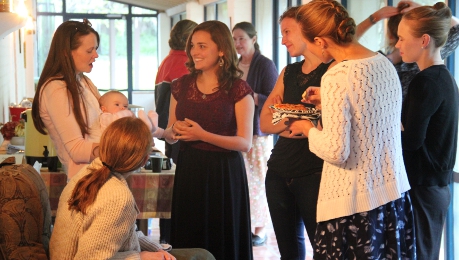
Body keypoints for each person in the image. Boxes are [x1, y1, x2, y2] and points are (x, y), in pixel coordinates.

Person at [290, 0, 415, 258]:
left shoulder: (337, 76)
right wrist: (328, 98)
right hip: (392, 195)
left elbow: (337, 151)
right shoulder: (382, 63)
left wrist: (307, 128)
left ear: (321, 41)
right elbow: (370, 112)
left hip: (354, 205)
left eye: (309, 44)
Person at [49, 117, 216, 260]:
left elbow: (122, 232)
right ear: (144, 161)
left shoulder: (89, 171)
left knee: (201, 255)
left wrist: (156, 248)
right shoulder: (117, 197)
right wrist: (140, 257)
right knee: (203, 256)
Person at [166, 20, 254, 259]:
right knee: (190, 236)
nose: (195, 51)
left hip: (224, 175)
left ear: (222, 49)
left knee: (222, 240)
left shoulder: (239, 89)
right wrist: (170, 130)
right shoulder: (180, 86)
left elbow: (245, 143)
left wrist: (202, 135)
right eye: (193, 45)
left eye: (202, 46)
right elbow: (170, 134)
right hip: (189, 170)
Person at [259, 7, 331, 259]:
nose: (283, 40)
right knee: (289, 252)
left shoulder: (334, 72)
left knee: (323, 249)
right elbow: (265, 124)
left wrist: (284, 112)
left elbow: (329, 126)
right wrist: (299, 117)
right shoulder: (288, 72)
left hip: (315, 173)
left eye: (288, 32)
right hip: (278, 172)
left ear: (308, 30)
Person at [396, 3, 459, 259]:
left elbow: (411, 142)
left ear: (423, 40)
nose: (398, 45)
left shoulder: (426, 81)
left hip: (423, 188)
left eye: (401, 38)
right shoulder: (444, 77)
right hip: (433, 189)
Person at [32, 19, 102, 179]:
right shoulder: (55, 89)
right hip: (85, 181)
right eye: (89, 50)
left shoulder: (83, 81)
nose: (96, 55)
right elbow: (77, 150)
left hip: (100, 175)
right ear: (66, 52)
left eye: (96, 49)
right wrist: (121, 150)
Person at [355, 1, 459, 101]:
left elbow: (346, 43)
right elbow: (456, 29)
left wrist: (374, 18)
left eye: (402, 38)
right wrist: (422, 10)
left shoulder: (377, 65)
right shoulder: (429, 55)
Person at [232, 21, 277, 246]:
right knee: (241, 179)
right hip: (237, 129)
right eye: (234, 39)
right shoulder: (233, 64)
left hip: (258, 132)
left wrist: (248, 96)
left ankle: (260, 228)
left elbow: (274, 99)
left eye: (241, 38)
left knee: (258, 178)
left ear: (253, 39)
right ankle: (243, 224)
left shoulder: (265, 65)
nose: (237, 43)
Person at [155, 19, 197, 245]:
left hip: (169, 133)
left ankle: (166, 235)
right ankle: (174, 238)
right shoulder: (184, 66)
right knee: (180, 190)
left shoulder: (166, 62)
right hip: (181, 133)